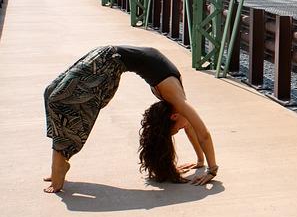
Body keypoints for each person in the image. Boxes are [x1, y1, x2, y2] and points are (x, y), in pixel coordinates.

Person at [43, 45, 218, 193]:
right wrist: (212, 169)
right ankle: (59, 160)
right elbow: (204, 134)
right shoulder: (177, 100)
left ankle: (58, 163)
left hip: (111, 60)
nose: (184, 128)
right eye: (178, 130)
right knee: (52, 94)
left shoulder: (176, 104)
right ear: (173, 116)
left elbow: (191, 128)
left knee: (58, 98)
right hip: (109, 60)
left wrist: (200, 161)